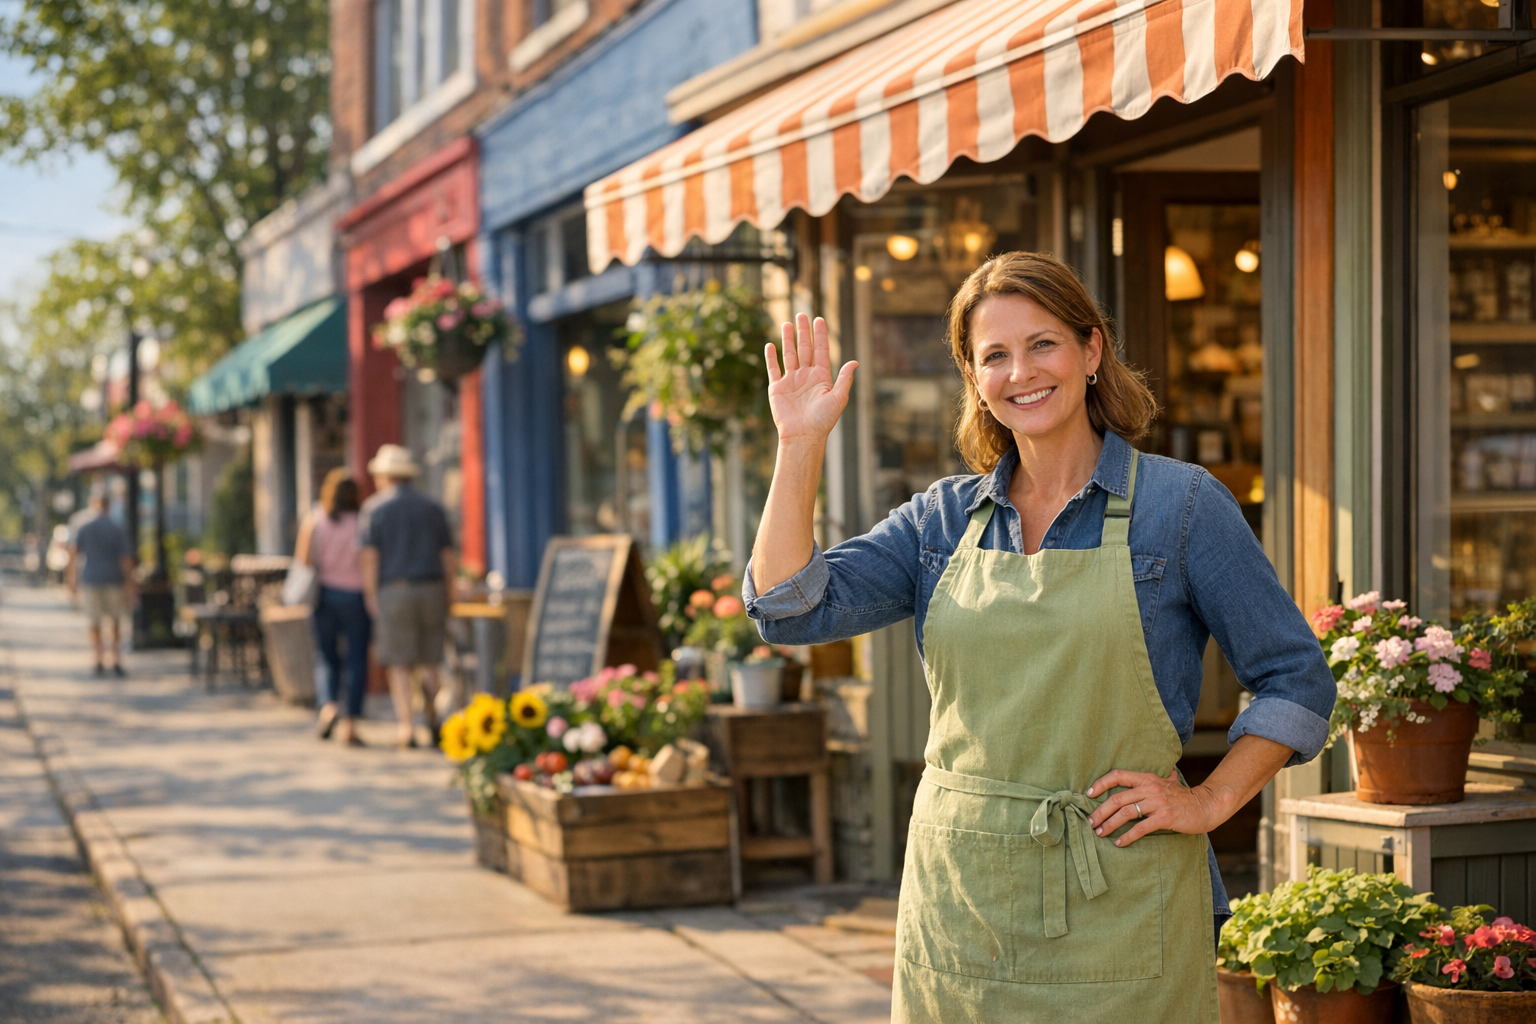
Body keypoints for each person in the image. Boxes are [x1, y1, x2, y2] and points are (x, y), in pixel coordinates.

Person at [745, 253, 1335, 1023]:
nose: (1021, 371)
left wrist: (1212, 799)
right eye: (994, 355)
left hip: (1121, 901)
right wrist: (799, 444)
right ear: (974, 377)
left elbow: (1296, 678)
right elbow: (790, 608)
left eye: (1043, 344)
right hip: (963, 908)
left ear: (1092, 352)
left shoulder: (1180, 506)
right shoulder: (942, 521)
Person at [358, 444, 456, 749]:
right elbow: (448, 558)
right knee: (430, 660)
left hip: (395, 591)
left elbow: (370, 558)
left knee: (399, 663)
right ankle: (431, 715)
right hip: (432, 588)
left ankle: (407, 727)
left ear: (386, 476)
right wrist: (450, 594)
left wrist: (371, 595)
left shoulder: (375, 508)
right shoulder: (432, 507)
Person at [294, 469, 370, 747]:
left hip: (324, 595)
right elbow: (370, 561)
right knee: (356, 658)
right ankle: (350, 723)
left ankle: (328, 706)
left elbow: (303, 560)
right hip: (357, 596)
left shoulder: (316, 520)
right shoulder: (363, 522)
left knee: (326, 656)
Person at [66, 493, 136, 677]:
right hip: (114, 580)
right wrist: (131, 586)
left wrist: (72, 581)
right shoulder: (117, 528)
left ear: (94, 505)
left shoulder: (85, 528)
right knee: (115, 621)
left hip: (91, 580)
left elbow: (73, 553)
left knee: (94, 621)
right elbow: (127, 559)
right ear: (108, 506)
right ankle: (115, 658)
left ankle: (98, 657)